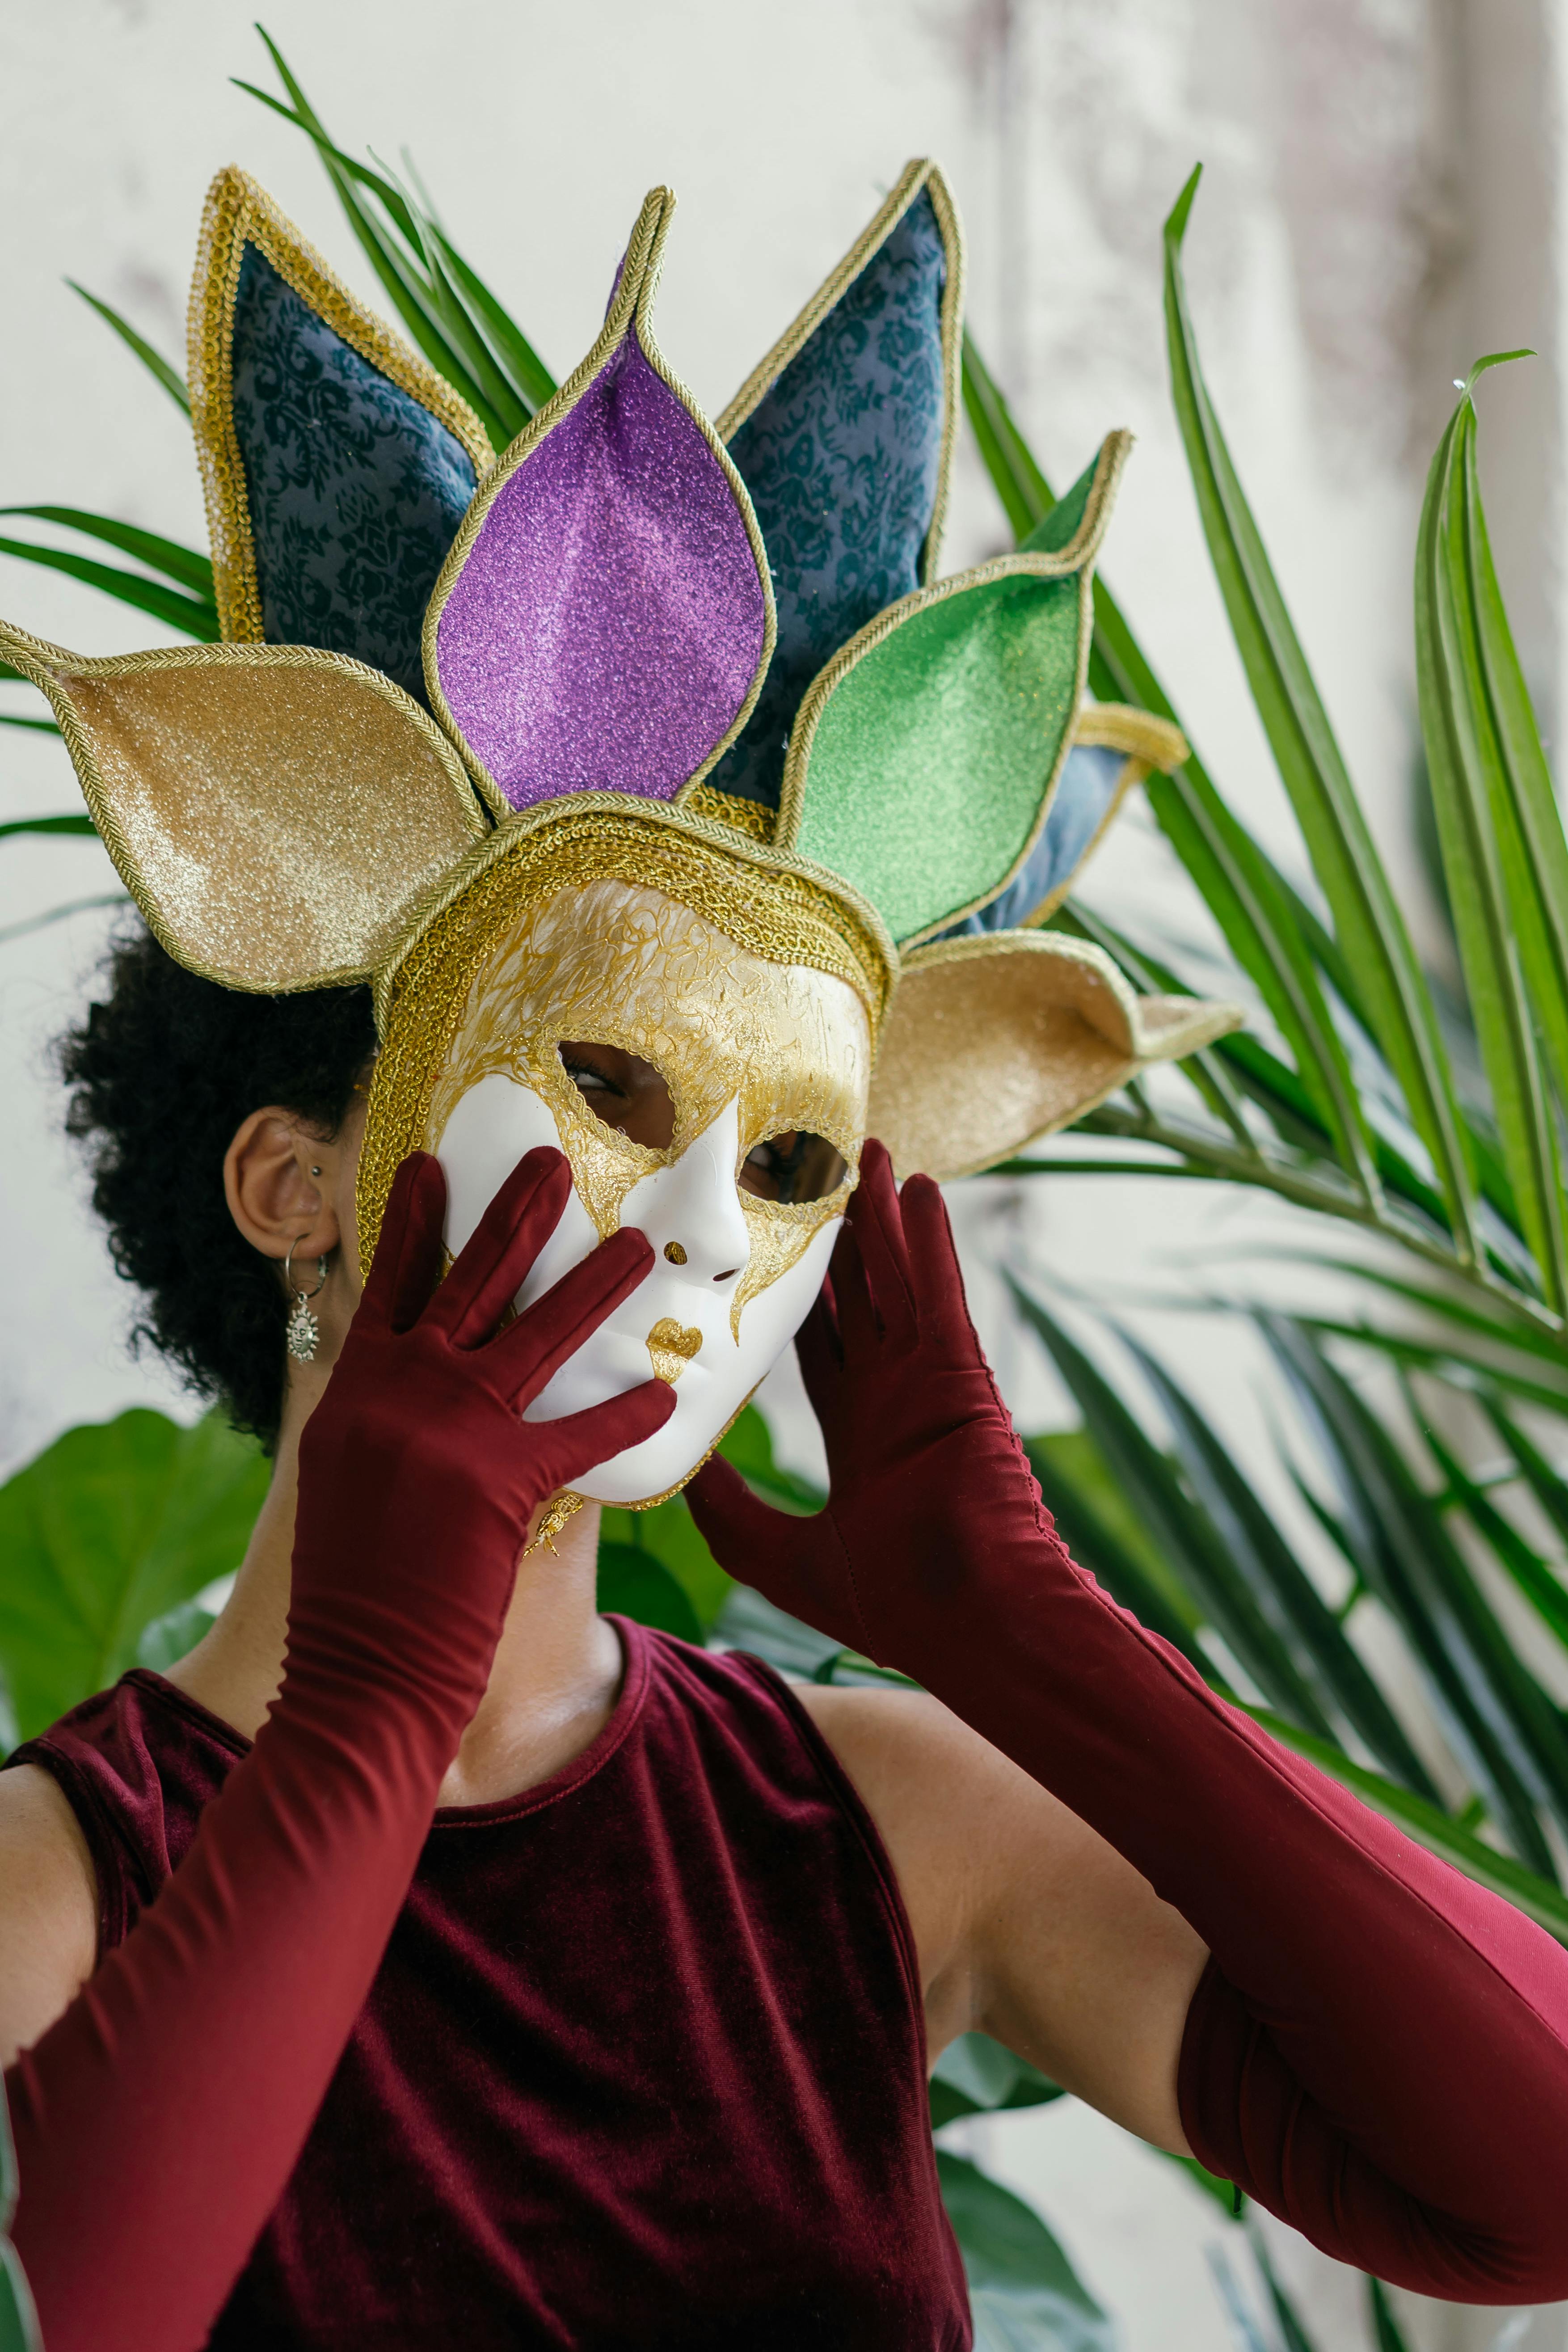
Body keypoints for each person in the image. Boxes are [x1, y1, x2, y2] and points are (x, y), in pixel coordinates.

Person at [1, 155, 1566, 2352]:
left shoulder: (866, 1818)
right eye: (617, 1091)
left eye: (802, 1159)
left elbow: (1532, 2190)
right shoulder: (49, 1878)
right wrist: (367, 1701)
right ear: (289, 1186)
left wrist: (1030, 1635)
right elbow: (81, 2315)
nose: (699, 1224)